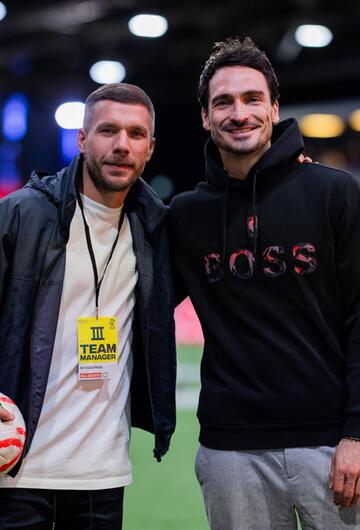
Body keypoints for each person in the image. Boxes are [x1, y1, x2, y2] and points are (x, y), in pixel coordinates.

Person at [168, 37, 360, 529]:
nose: (239, 113)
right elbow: (135, 301)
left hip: (331, 447)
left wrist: (356, 435)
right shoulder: (187, 216)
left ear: (275, 107)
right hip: (231, 451)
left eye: (253, 99)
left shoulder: (335, 194)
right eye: (223, 102)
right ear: (205, 119)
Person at [0, 83, 176, 529]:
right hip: (15, 471)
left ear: (150, 148)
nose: (122, 145)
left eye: (136, 134)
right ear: (81, 139)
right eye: (108, 130)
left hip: (101, 476)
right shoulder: (20, 216)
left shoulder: (156, 230)